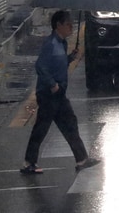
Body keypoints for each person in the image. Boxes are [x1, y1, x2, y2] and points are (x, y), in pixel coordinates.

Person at [22, 10, 100, 174]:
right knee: (42, 128)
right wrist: (52, 84)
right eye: (68, 25)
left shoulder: (62, 43)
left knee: (70, 123)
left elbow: (57, 64)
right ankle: (29, 162)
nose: (71, 28)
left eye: (72, 24)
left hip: (59, 94)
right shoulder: (51, 44)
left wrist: (70, 58)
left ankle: (81, 159)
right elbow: (41, 66)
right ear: (58, 25)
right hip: (49, 94)